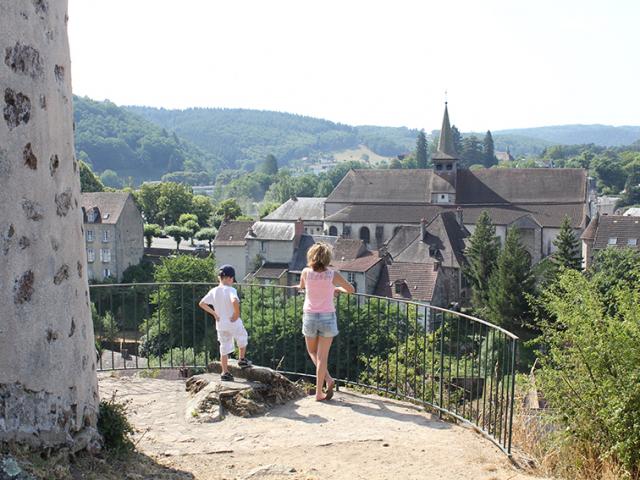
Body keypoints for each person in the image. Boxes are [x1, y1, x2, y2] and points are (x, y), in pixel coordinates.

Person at [298, 243, 355, 401]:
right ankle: (320, 390)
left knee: (312, 352)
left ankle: (327, 381)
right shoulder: (332, 274)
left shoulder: (305, 272)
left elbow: (302, 286)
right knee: (323, 357)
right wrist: (337, 289)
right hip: (327, 316)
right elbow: (351, 289)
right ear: (327, 258)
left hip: (309, 315)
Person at [198, 265, 249, 381]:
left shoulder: (214, 291)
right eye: (232, 280)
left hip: (221, 323)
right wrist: (236, 313)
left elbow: (201, 303)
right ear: (230, 278)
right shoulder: (231, 290)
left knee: (224, 346)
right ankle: (241, 359)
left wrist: (214, 314)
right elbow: (234, 300)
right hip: (232, 321)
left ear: (219, 277)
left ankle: (224, 372)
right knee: (242, 337)